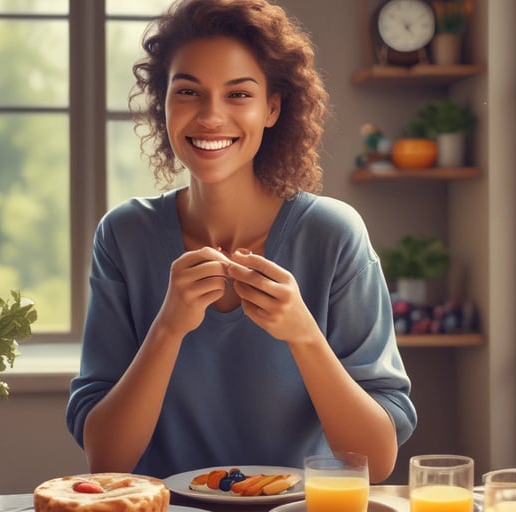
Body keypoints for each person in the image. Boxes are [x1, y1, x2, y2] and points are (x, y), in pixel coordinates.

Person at [66, 0, 416, 483]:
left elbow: (376, 461)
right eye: (188, 91)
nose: (211, 116)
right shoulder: (124, 235)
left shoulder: (333, 235)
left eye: (238, 94)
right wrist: (168, 328)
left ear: (272, 107)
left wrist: (303, 333)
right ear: (163, 104)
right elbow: (106, 460)